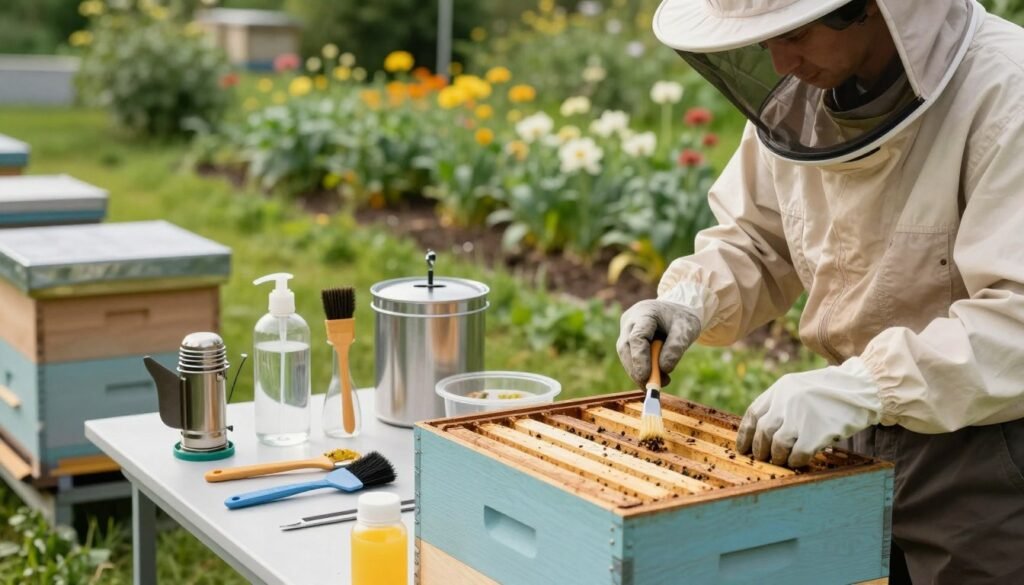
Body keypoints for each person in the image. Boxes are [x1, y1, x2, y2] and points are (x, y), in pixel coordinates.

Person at [616, 0, 1024, 582]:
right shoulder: (801, 98)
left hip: (990, 455)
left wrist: (863, 385)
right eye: (764, 42)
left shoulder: (1008, 93)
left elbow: (1016, 320)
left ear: (871, 9)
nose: (781, 61)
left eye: (795, 34)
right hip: (850, 437)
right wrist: (688, 298)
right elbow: (757, 238)